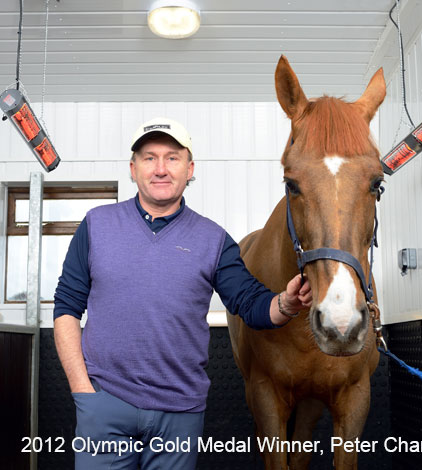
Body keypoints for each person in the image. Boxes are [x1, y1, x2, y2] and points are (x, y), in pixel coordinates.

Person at [54, 117, 312, 470]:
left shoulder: (214, 240)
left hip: (179, 413)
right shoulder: (96, 225)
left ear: (190, 169)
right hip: (104, 405)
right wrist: (82, 391)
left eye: (173, 158)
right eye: (149, 158)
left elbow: (249, 303)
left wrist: (287, 301)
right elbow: (66, 307)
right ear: (133, 169)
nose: (161, 168)